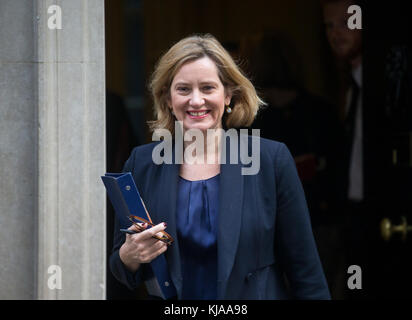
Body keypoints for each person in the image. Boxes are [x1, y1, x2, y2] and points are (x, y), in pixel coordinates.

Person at [109, 34, 330, 300]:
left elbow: (306, 273)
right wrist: (129, 255)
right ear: (167, 98)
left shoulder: (271, 160)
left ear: (228, 96)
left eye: (207, 88)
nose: (196, 100)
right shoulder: (142, 163)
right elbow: (120, 270)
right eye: (183, 89)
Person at [322, 0, 366, 299]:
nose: (337, 33)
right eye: (329, 25)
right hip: (351, 215)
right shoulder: (349, 86)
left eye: (348, 21)